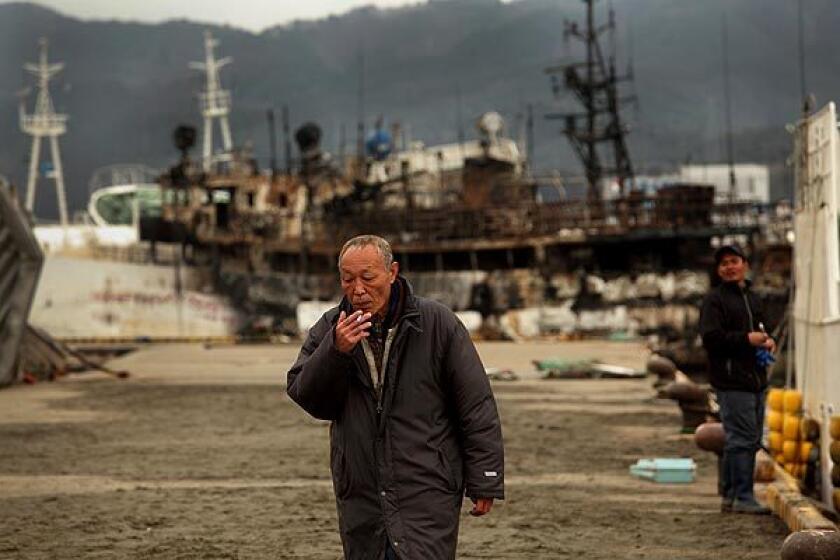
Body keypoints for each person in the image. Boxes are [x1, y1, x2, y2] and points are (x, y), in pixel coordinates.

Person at [287, 235, 504, 559]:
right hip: (362, 490)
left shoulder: (437, 323)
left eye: (368, 277)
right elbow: (309, 398)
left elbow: (475, 404)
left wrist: (485, 479)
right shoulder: (330, 328)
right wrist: (336, 351)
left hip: (427, 484)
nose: (358, 289)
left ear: (392, 272)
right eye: (348, 280)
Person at [699, 244, 775, 515]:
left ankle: (731, 495)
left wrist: (768, 341)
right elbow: (710, 338)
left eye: (734, 261)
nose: (729, 267)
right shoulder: (714, 301)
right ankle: (743, 496)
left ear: (744, 264)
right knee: (741, 438)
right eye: (724, 264)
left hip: (755, 378)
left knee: (750, 438)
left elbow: (763, 328)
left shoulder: (753, 298)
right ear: (719, 271)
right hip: (731, 380)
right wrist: (746, 339)